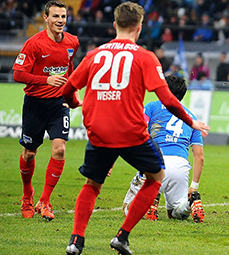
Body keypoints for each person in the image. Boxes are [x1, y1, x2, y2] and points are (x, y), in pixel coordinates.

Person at [61, 3, 210, 255]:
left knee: (92, 185)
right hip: (131, 132)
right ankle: (122, 236)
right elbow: (167, 98)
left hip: (99, 131)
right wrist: (191, 121)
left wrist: (76, 103)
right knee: (156, 177)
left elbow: (67, 90)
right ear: (139, 28)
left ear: (114, 25)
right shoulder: (144, 56)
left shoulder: (94, 55)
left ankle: (76, 241)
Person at [12, 0, 79, 221]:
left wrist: (71, 93)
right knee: (29, 153)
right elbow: (18, 74)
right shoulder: (34, 44)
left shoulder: (72, 42)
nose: (60, 21)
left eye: (63, 17)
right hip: (35, 104)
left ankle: (45, 200)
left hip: (58, 105)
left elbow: (68, 69)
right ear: (46, 18)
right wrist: (45, 79)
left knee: (59, 150)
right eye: (56, 16)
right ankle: (27, 194)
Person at [122, 75, 206, 222]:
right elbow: (199, 156)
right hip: (180, 167)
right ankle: (189, 204)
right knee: (175, 212)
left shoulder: (152, 107)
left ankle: (149, 202)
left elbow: (138, 128)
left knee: (127, 209)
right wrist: (194, 185)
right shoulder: (192, 118)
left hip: (155, 163)